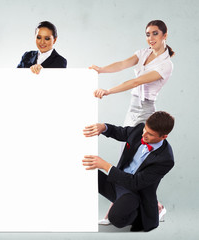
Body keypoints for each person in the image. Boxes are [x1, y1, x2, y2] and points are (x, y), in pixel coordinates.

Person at [89, 20, 174, 224]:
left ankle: (154, 207)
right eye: (147, 34)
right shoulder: (144, 53)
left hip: (146, 110)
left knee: (139, 161)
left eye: (155, 34)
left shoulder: (166, 64)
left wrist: (108, 91)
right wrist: (101, 70)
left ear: (165, 35)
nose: (150, 38)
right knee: (125, 157)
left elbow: (136, 81)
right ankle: (122, 201)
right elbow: (122, 64)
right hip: (132, 107)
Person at [82, 111, 175, 232]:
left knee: (116, 218)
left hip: (134, 192)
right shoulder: (140, 129)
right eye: (145, 129)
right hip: (116, 182)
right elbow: (120, 132)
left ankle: (149, 212)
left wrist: (105, 166)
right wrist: (104, 127)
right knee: (86, 170)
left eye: (150, 134)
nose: (144, 135)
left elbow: (135, 183)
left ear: (163, 137)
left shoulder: (165, 159)